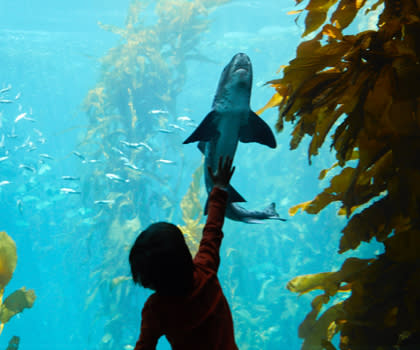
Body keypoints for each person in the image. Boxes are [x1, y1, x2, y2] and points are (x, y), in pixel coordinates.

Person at [129, 156, 238, 350]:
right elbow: (213, 230)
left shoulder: (156, 309)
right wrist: (220, 189)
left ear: (149, 280)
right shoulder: (206, 268)